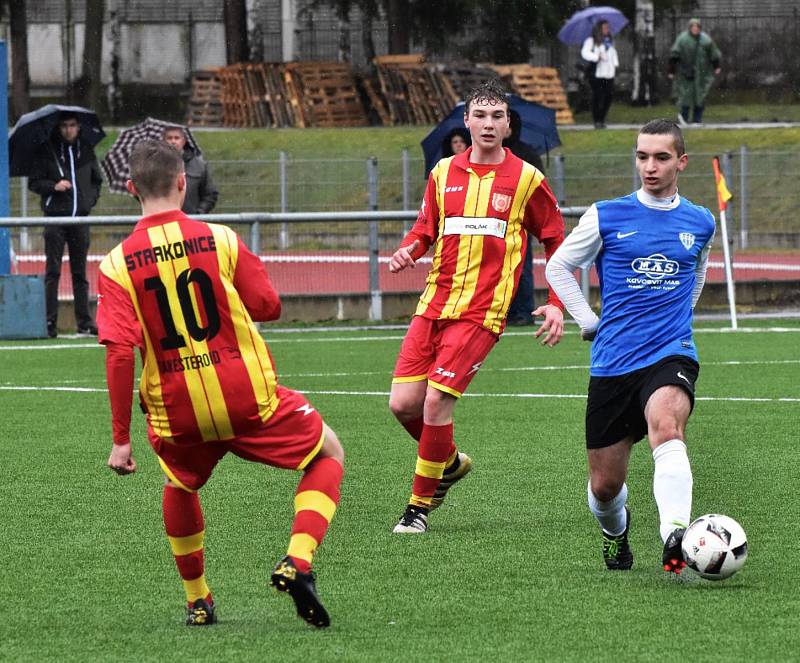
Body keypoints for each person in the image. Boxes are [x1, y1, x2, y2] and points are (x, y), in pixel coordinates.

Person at [98, 139, 344, 628]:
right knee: (328, 455)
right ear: (183, 181)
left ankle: (198, 601)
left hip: (177, 409)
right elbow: (269, 306)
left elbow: (120, 351)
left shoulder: (115, 265)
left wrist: (121, 440)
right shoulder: (222, 239)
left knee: (179, 484)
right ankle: (297, 560)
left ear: (130, 189)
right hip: (247, 395)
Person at [388, 80, 565, 534]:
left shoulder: (527, 179)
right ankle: (446, 463)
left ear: (508, 125)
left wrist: (557, 301)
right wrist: (408, 249)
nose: (488, 124)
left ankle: (417, 509)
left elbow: (555, 240)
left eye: (497, 117)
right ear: (466, 122)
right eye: (479, 116)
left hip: (482, 312)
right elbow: (425, 227)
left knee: (434, 405)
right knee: (403, 404)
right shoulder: (443, 171)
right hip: (434, 303)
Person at [544, 119, 716, 574]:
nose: (650, 166)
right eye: (642, 156)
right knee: (604, 487)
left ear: (681, 161)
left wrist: (680, 315)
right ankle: (615, 533)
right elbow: (559, 267)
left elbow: (696, 273)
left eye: (661, 157)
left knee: (667, 427)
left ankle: (675, 535)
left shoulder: (700, 221)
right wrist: (588, 320)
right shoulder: (607, 215)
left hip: (671, 351)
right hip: (613, 361)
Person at [28, 111, 103, 338]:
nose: (68, 130)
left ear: (79, 127)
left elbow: (96, 180)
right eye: (64, 126)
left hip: (79, 219)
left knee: (80, 273)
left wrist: (87, 202)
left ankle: (85, 322)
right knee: (53, 272)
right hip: (55, 219)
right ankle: (50, 322)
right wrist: (54, 186)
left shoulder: (86, 151)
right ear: (58, 128)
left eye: (72, 125)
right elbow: (34, 183)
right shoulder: (47, 151)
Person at [503, 109, 545, 325]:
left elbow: (538, 187)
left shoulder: (526, 154)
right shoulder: (493, 154)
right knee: (500, 270)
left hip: (521, 220)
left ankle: (524, 310)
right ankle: (505, 310)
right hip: (497, 220)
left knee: (523, 267)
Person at [668, 18, 721, 125]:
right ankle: (684, 117)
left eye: (697, 27)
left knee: (700, 96)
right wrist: (672, 70)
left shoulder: (705, 40)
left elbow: (714, 54)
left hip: (702, 73)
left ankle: (697, 119)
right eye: (693, 27)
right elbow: (674, 54)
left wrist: (716, 66)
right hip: (685, 73)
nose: (695, 29)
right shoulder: (682, 39)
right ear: (689, 28)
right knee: (685, 95)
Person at [163, 125, 219, 215]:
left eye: (176, 138)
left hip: (191, 220)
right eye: (169, 138)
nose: (173, 141)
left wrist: (199, 212)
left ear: (184, 141)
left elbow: (210, 194)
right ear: (164, 141)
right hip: (164, 220)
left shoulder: (199, 165)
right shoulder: (155, 165)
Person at [581, 20, 619, 129]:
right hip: (596, 73)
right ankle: (597, 120)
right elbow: (585, 53)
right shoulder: (591, 41)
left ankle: (602, 119)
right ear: (599, 29)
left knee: (609, 96)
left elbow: (613, 54)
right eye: (605, 27)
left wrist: (615, 64)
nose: (607, 30)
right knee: (597, 96)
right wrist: (596, 56)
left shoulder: (609, 41)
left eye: (608, 27)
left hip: (609, 73)